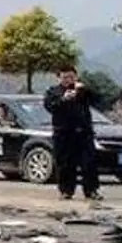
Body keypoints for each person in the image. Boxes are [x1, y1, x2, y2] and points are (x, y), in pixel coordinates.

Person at [43, 66, 102, 201]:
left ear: (76, 76)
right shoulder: (53, 92)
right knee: (65, 164)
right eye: (65, 77)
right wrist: (63, 99)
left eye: (71, 77)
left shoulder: (82, 90)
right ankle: (66, 191)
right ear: (59, 78)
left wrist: (85, 90)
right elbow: (50, 107)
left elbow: (98, 100)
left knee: (89, 163)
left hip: (83, 133)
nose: (68, 80)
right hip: (63, 133)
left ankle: (91, 190)